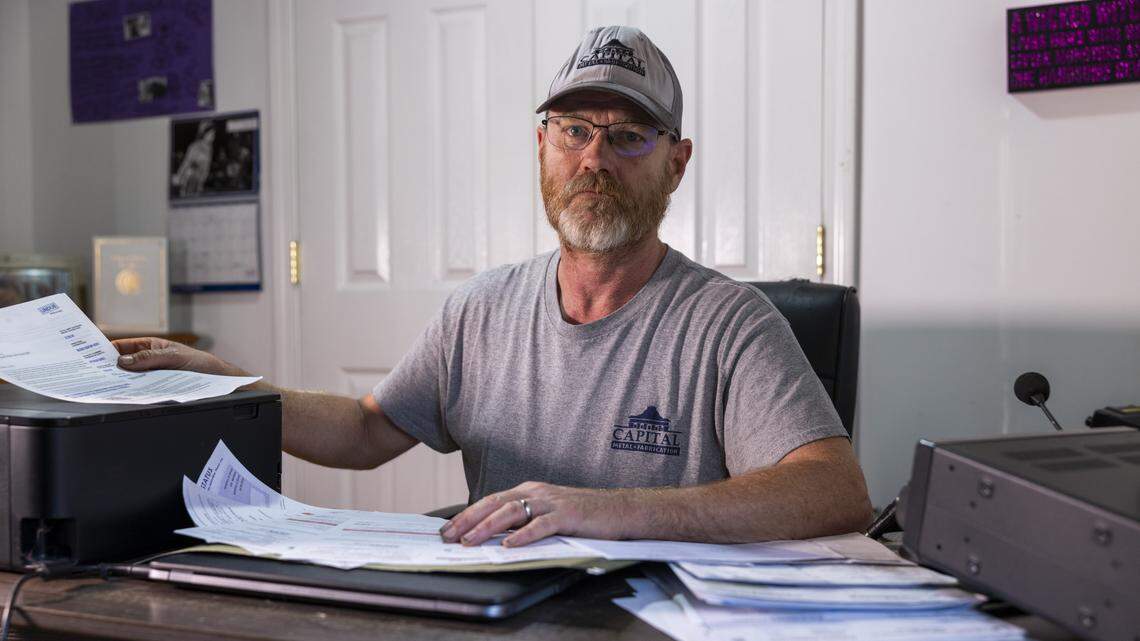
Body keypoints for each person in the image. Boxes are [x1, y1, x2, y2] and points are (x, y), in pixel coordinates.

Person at [116, 26, 872, 549]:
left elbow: (834, 491)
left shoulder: (728, 323)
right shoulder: (481, 309)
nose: (594, 160)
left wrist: (609, 511)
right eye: (574, 130)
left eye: (628, 136)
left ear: (676, 163)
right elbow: (367, 430)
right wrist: (230, 388)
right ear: (542, 145)